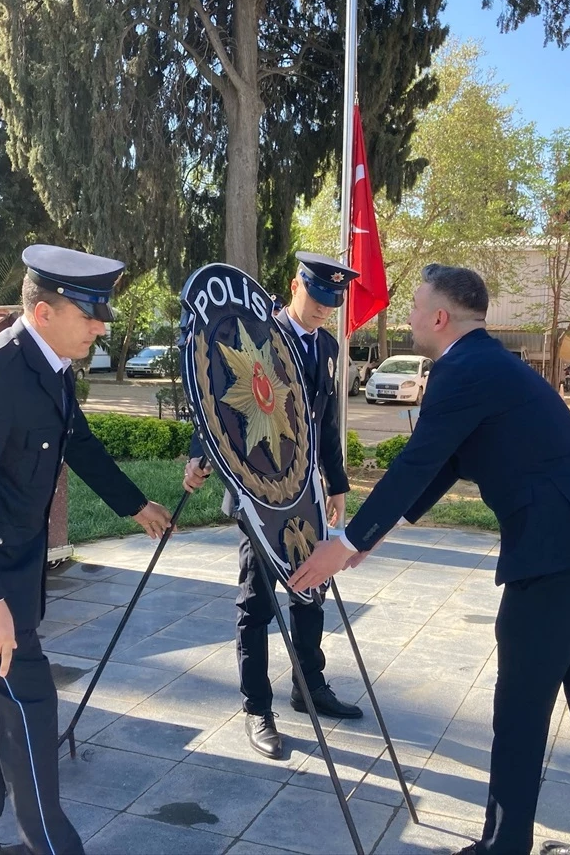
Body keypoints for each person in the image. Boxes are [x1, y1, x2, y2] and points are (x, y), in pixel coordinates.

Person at [289, 264, 570, 855]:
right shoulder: (486, 363)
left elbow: (416, 464)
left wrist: (345, 544)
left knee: (521, 711)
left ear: (439, 317)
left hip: (559, 561)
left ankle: (503, 848)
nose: (406, 316)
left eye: (413, 306)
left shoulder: (462, 371)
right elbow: (445, 466)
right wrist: (365, 542)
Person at [0, 245, 173, 855]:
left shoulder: (52, 366)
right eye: (90, 314)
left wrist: (134, 505)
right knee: (27, 708)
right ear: (44, 312)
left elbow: (80, 443)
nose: (102, 326)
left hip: (4, 572)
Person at [183, 252, 365, 760]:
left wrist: (337, 482)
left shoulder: (327, 346)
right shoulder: (258, 333)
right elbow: (215, 398)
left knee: (311, 589)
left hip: (305, 491)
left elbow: (325, 421)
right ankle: (256, 707)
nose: (324, 310)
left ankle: (309, 687)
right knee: (257, 602)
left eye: (333, 303)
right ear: (294, 286)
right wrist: (200, 455)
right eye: (317, 298)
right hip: (257, 493)